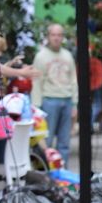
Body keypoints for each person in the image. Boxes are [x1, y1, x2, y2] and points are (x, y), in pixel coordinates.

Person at [31, 23, 78, 166]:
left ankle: (62, 172)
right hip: (48, 101)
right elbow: (36, 81)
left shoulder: (68, 55)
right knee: (47, 140)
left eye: (59, 35)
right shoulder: (41, 56)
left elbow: (73, 80)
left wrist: (75, 103)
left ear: (62, 37)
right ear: (48, 37)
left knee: (64, 142)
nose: (56, 38)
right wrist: (36, 107)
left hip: (67, 100)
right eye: (53, 35)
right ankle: (45, 172)